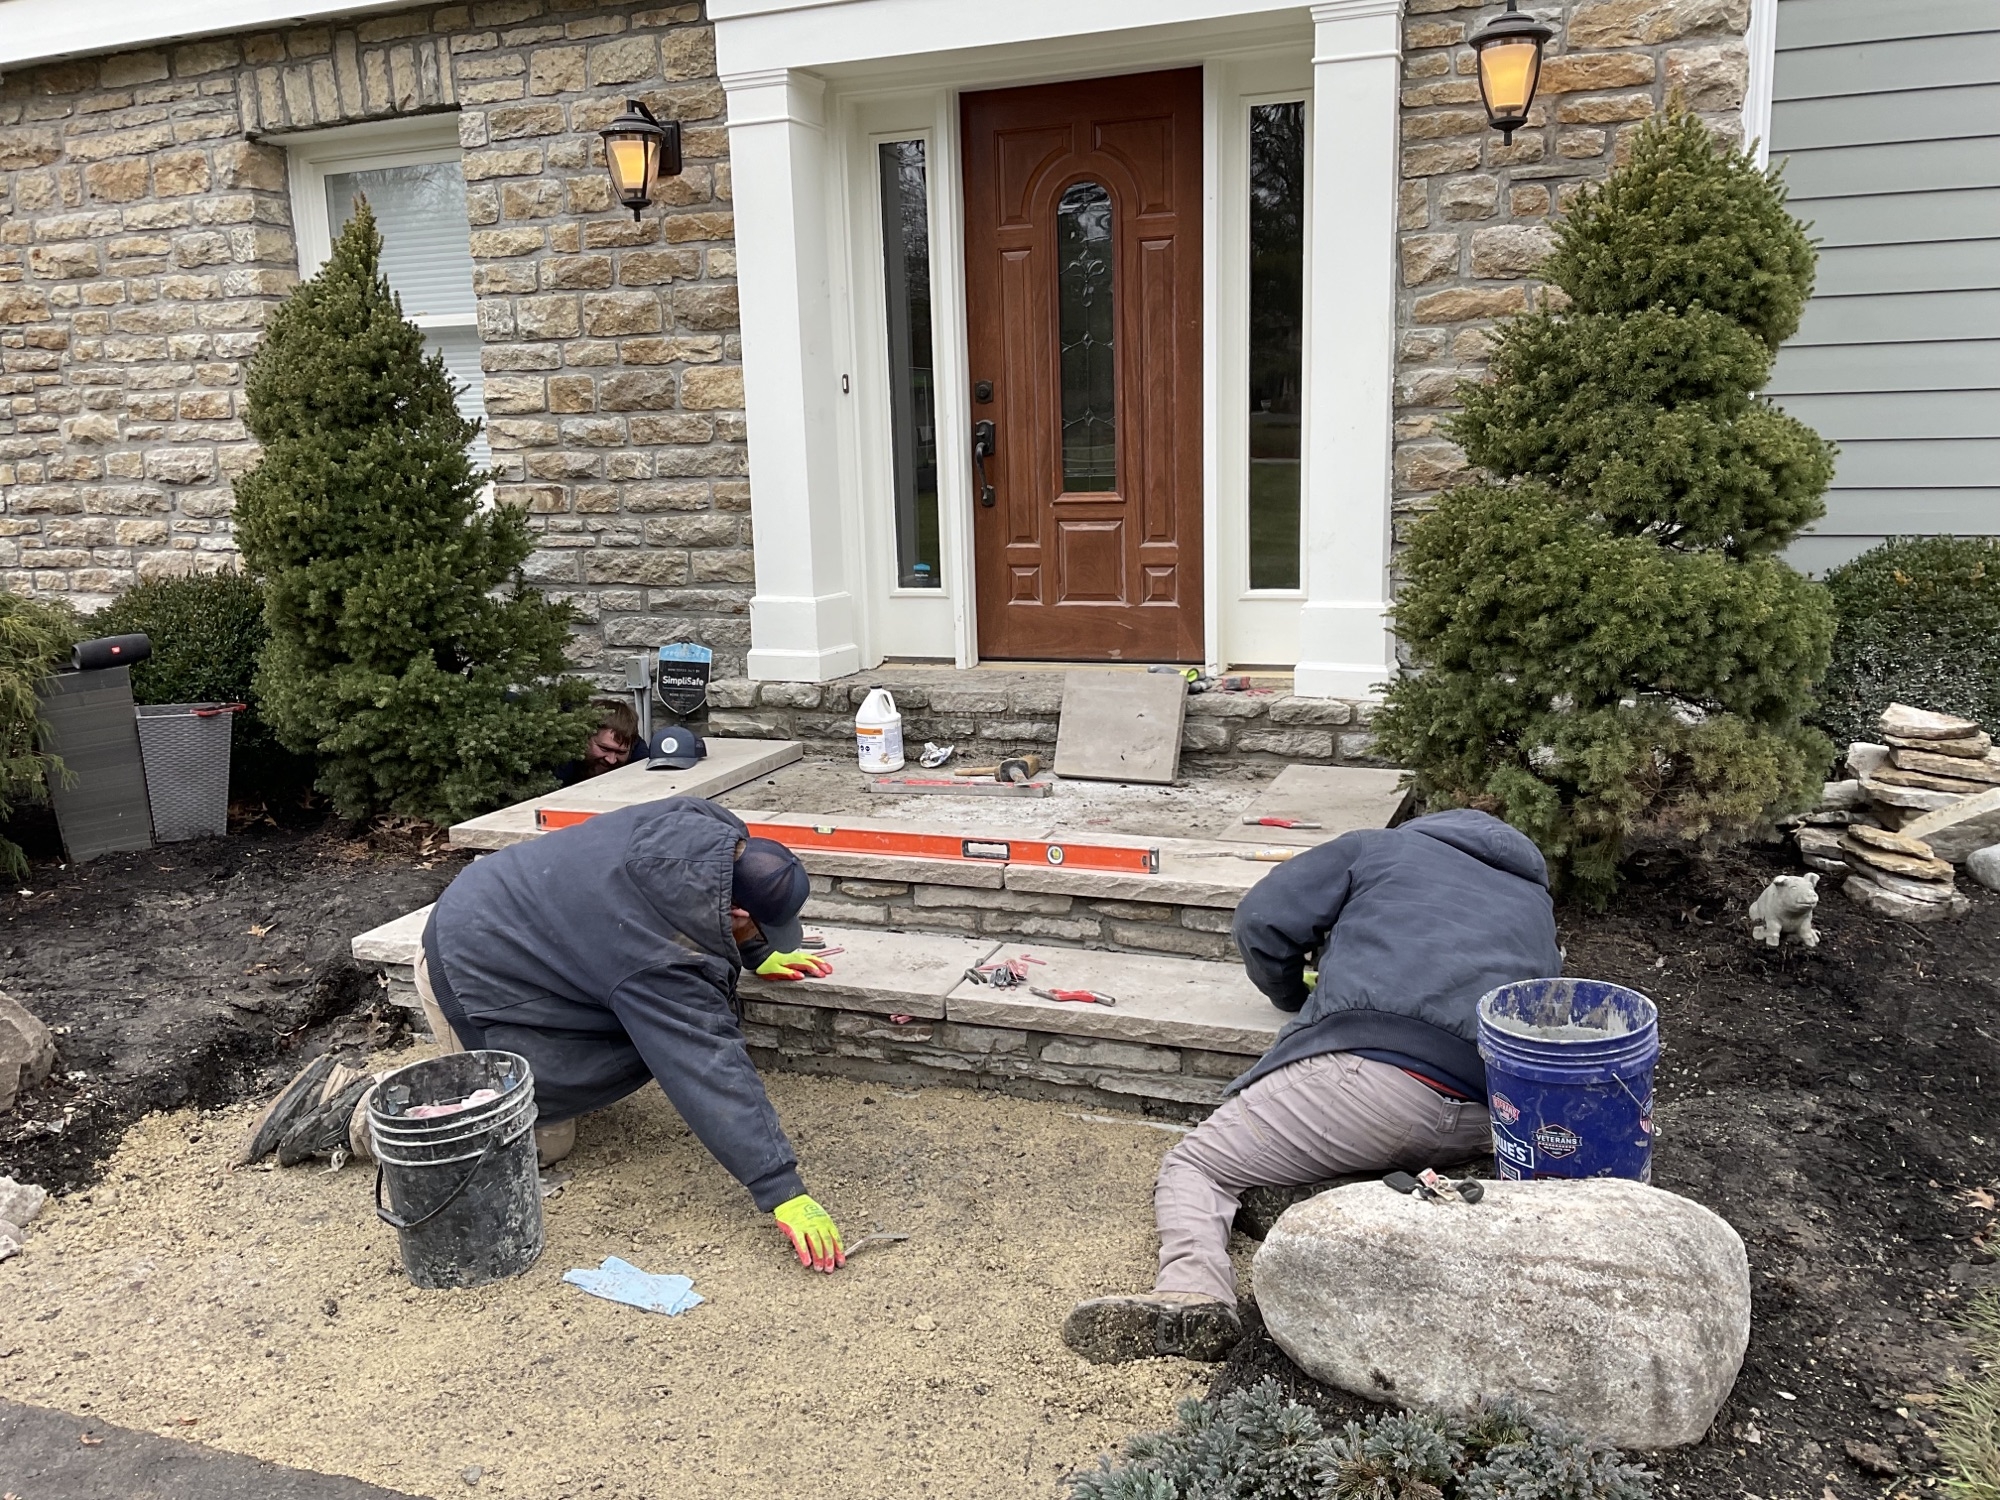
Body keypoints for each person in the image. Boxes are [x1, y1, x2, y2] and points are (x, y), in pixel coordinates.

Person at [239, 798, 851, 1273]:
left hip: (518, 920)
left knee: (635, 1042)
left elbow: (715, 909)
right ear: (736, 907)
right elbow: (708, 1067)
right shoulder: (652, 961)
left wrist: (756, 954)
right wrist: (780, 1189)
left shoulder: (708, 827)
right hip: (475, 969)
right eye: (755, 926)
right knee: (536, 1138)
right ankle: (359, 1110)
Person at [1062, 808, 1562, 1362]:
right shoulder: (1534, 903)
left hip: (1369, 1084)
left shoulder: (1378, 847)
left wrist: (1293, 998)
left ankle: (1193, 1291)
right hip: (1491, 1116)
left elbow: (1263, 918)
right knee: (1362, 1147)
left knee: (1199, 1165)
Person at [554, 698, 647, 785]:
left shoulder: (640, 759)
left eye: (621, 752)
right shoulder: (559, 756)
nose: (611, 760)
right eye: (604, 749)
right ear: (584, 737)